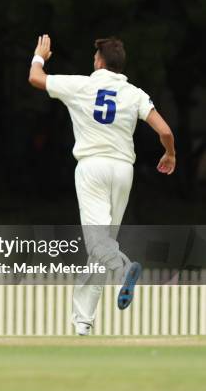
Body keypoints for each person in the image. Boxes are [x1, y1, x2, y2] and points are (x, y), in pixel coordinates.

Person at [28, 35, 176, 335]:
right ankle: (83, 320)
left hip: (92, 167)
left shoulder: (82, 85)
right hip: (123, 170)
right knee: (101, 246)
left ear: (98, 61)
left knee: (98, 245)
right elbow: (165, 131)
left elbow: (35, 78)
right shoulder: (134, 93)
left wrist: (39, 56)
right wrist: (170, 154)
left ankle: (123, 269)